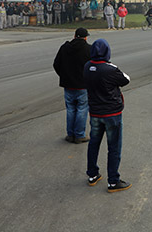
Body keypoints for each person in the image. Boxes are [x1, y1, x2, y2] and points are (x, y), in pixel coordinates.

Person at [83, 39, 131, 193]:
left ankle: (92, 174)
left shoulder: (87, 66)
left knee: (94, 143)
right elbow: (126, 79)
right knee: (114, 147)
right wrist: (111, 66)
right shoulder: (110, 69)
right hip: (111, 113)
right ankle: (113, 181)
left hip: (95, 112)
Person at [53, 28, 92, 143]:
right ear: (85, 37)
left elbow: (56, 64)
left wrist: (64, 75)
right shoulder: (89, 49)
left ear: (74, 36)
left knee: (70, 109)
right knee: (82, 109)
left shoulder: (65, 48)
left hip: (68, 84)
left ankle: (70, 134)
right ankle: (79, 135)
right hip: (83, 85)